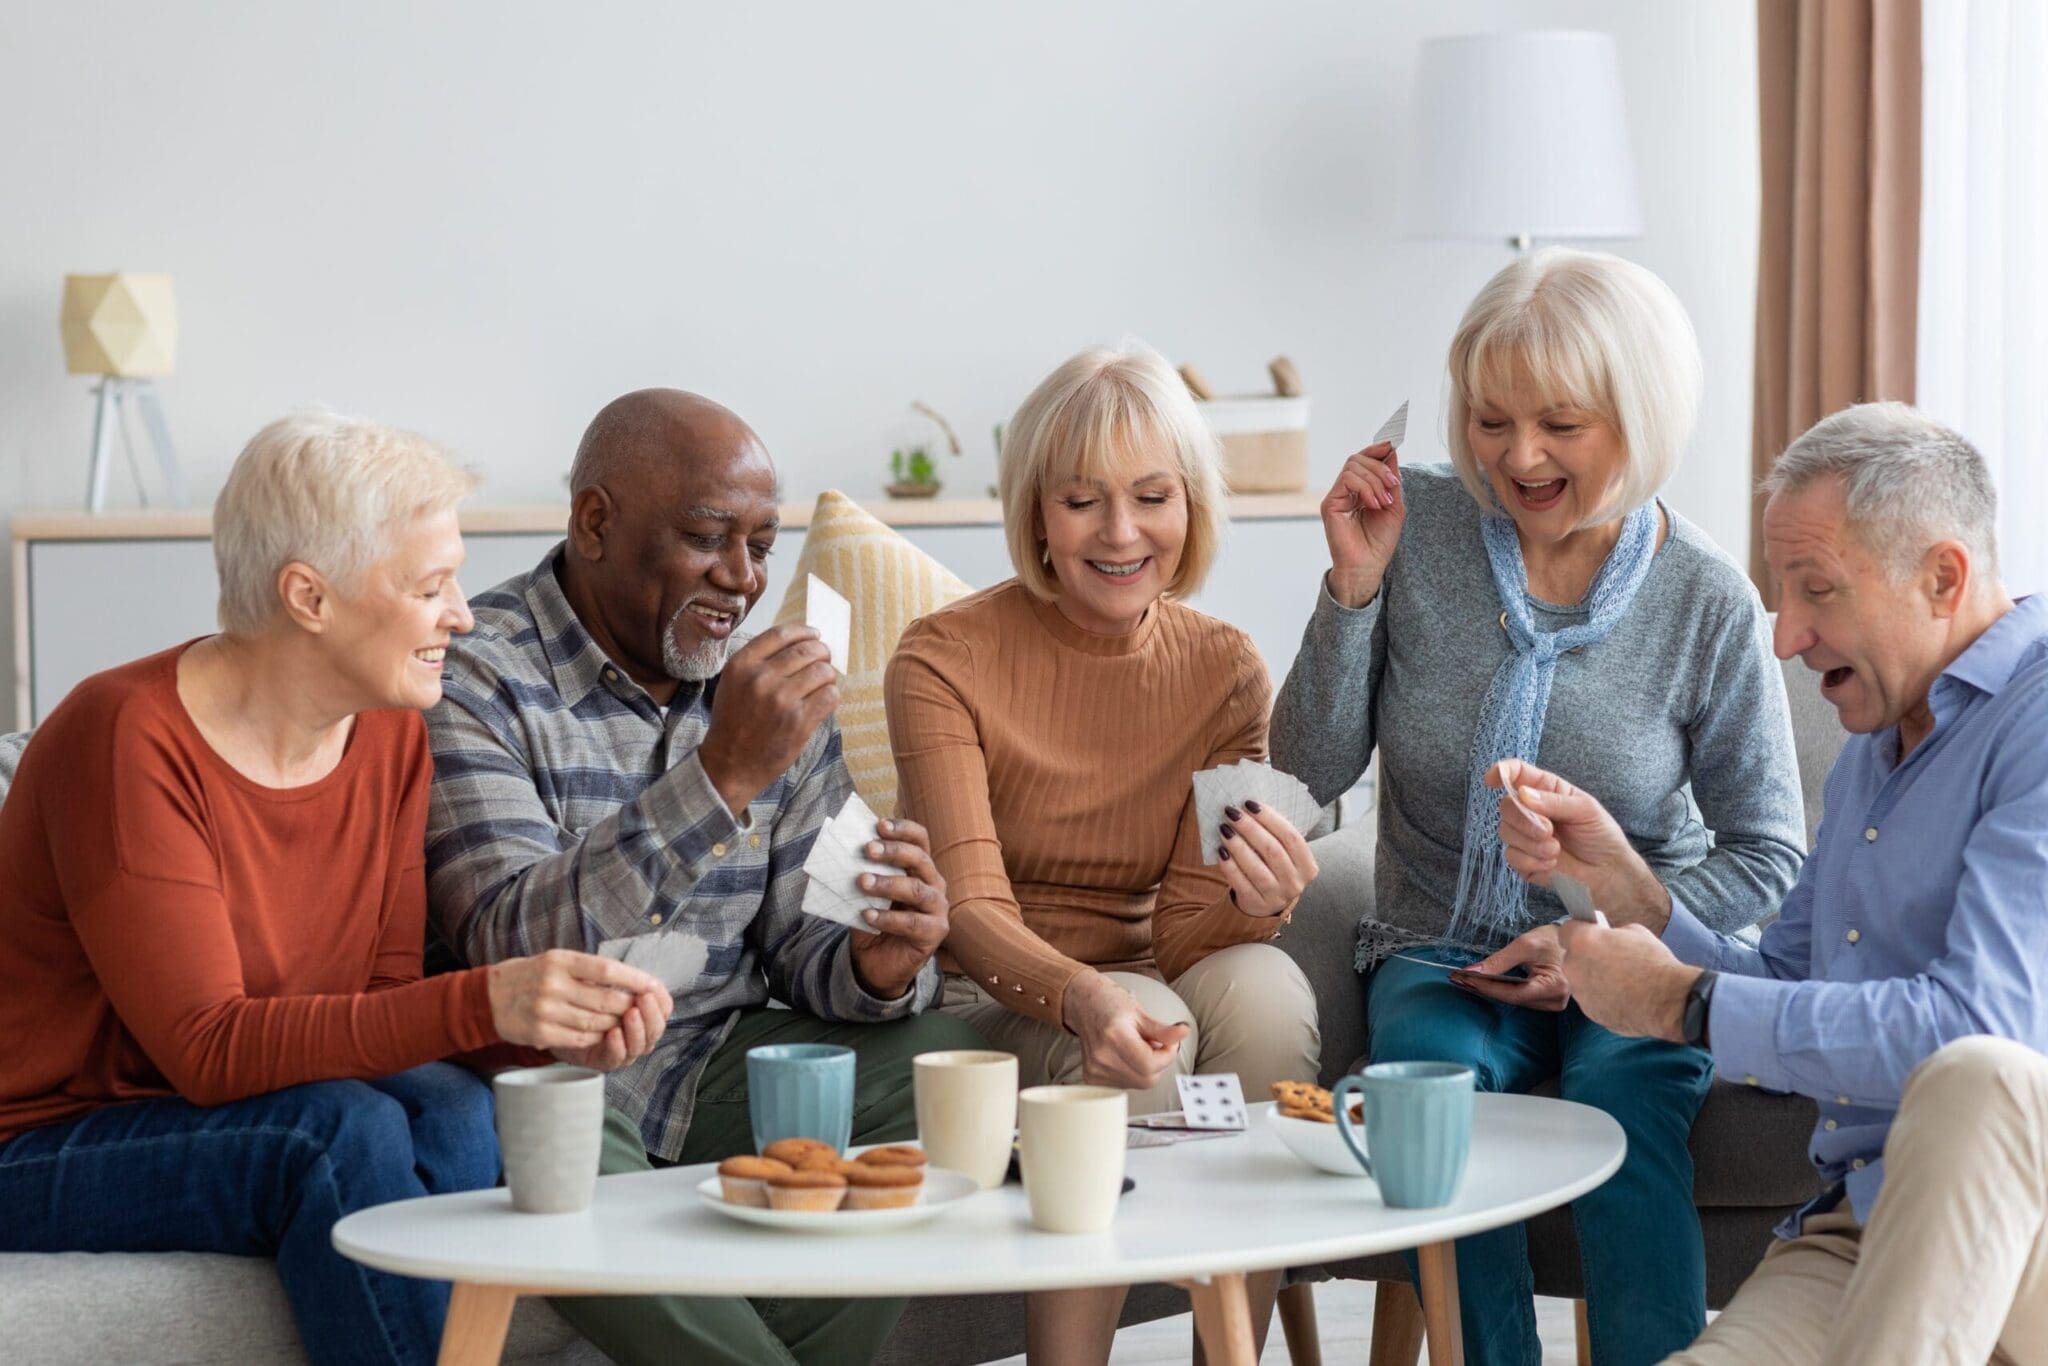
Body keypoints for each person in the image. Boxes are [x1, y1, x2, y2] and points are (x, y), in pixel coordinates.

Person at [0, 412, 670, 1366]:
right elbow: (208, 1049)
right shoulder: (126, 737)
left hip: (223, 1106)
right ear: (308, 596)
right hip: (43, 1136)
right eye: (430, 586)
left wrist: (538, 1029)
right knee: (333, 1134)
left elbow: (383, 1009)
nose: (464, 615)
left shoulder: (388, 731)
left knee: (455, 1108)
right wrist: (484, 994)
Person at [1269, 248, 1807, 1365]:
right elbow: (1307, 770)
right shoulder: (1410, 525)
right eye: (1490, 419)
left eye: (1559, 423)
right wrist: (1352, 589)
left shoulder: (1705, 596)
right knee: (1431, 1114)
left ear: (1637, 414)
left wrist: (1590, 935)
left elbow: (1766, 856)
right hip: (1436, 948)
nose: (1517, 456)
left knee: (1625, 1118)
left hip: (1629, 954)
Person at [1477, 402, 2048, 1364]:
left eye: (1817, 591)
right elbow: (1786, 982)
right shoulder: (1880, 740)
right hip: (1860, 1228)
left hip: (2026, 1224)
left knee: (1979, 1076)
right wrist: (1632, 893)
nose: (1786, 638)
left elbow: (1974, 1030)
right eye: (1783, 594)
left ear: (1943, 576)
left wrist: (1684, 1003)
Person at [425, 388, 984, 1366]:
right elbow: (511, 947)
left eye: (763, 545)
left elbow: (804, 946)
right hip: (550, 1075)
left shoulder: (766, 686)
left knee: (944, 1067)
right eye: (707, 536)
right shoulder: (474, 673)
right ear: (594, 522)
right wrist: (720, 774)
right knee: (539, 1125)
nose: (741, 578)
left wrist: (878, 957)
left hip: (713, 1061)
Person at [886, 341, 1322, 1363]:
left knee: (1266, 988)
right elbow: (968, 909)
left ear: (1191, 507)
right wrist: (1088, 997)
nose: (1120, 532)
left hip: (1150, 972)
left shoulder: (1223, 666)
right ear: (1036, 511)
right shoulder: (941, 658)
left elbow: (1186, 923)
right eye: (1081, 499)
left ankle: (1229, 1354)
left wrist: (1258, 900)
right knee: (1152, 1028)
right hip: (996, 994)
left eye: (1151, 496)